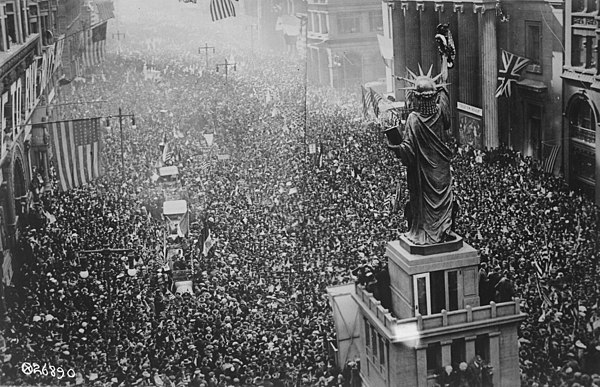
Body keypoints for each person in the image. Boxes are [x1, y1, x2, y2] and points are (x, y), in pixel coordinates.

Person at [387, 54, 453, 245]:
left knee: (423, 205)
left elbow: (408, 152)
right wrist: (444, 56)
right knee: (442, 204)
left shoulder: (413, 119)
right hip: (441, 172)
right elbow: (444, 82)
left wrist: (396, 147)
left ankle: (426, 232)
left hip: (423, 175)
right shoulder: (441, 112)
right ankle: (443, 230)